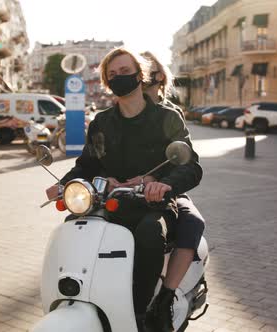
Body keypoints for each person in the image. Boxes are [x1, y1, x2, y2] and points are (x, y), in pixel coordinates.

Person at [45, 48, 202, 332]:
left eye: (125, 72)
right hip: (110, 202)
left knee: (149, 232)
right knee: (75, 226)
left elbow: (191, 166)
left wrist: (164, 184)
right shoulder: (102, 123)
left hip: (153, 203)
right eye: (112, 74)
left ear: (140, 75)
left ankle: (145, 311)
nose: (119, 78)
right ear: (106, 81)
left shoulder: (166, 118)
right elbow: (86, 165)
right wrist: (62, 183)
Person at [138, 51, 206, 331]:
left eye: (146, 74)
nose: (141, 82)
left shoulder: (170, 114)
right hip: (126, 191)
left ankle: (165, 297)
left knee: (193, 222)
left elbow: (186, 161)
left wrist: (161, 180)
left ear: (159, 77)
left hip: (166, 189)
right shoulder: (118, 115)